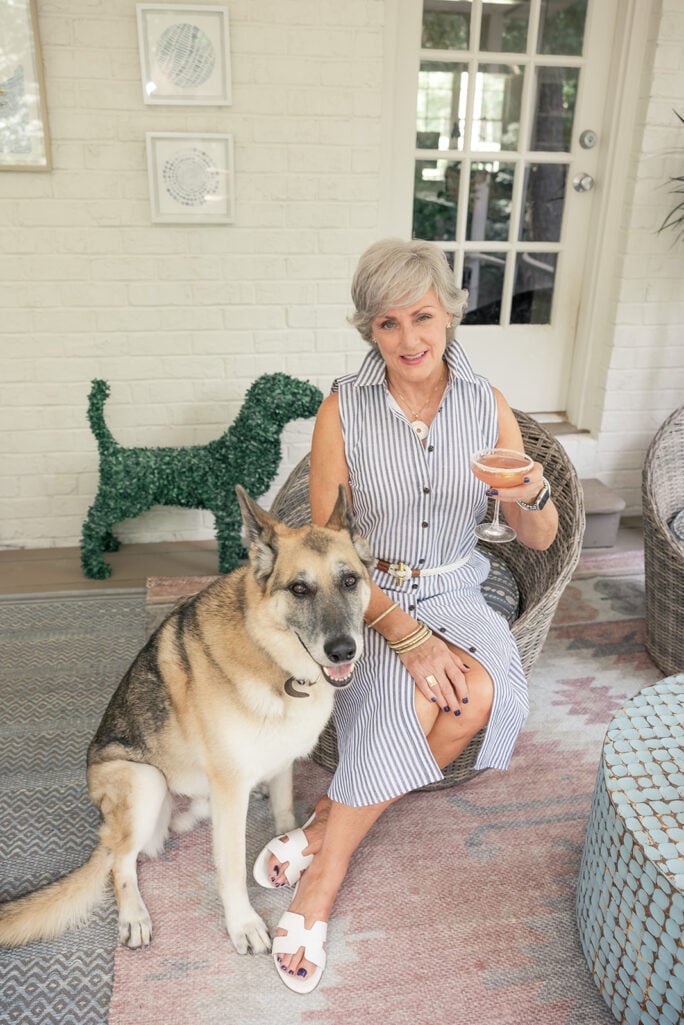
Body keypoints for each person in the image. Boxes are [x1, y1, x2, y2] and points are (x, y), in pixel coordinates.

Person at [254, 238, 559, 993]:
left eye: (422, 316)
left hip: (460, 582)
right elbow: (328, 553)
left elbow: (539, 537)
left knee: (478, 694)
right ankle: (324, 881)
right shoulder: (341, 409)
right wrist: (405, 634)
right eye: (387, 323)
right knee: (418, 696)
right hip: (371, 592)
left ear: (450, 313)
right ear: (369, 331)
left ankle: (326, 827)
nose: (409, 339)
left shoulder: (487, 406)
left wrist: (532, 493)